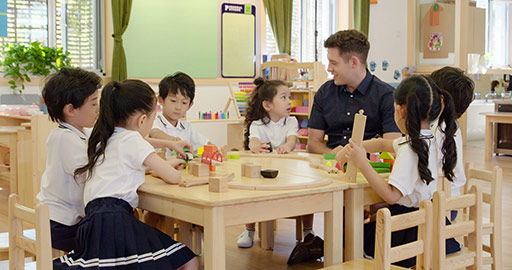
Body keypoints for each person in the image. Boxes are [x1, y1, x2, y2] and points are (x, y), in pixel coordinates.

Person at [54, 80, 198, 270]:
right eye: (152, 119)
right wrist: (165, 166)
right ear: (141, 120)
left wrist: (162, 160)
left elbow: (126, 161)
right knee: (189, 260)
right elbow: (174, 177)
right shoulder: (133, 141)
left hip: (91, 223)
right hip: (115, 221)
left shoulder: (103, 138)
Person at [338, 75, 459, 267]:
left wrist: (362, 162)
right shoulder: (427, 138)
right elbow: (383, 143)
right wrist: (353, 147)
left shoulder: (410, 149)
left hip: (409, 227)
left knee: (351, 238)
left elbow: (391, 196)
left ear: (400, 110)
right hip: (429, 221)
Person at [305, 29, 402, 241]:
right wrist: (334, 154)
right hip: (332, 169)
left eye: (334, 63)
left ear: (354, 62)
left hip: (373, 172)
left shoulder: (385, 95)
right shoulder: (324, 93)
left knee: (370, 224)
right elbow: (313, 144)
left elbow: (393, 145)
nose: (329, 69)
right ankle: (335, 245)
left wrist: (356, 154)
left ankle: (364, 247)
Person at [36, 67, 101, 252]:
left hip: (64, 219)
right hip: (61, 224)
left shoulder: (81, 132)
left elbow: (111, 141)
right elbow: (89, 176)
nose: (98, 109)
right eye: (94, 104)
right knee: (110, 239)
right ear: (71, 109)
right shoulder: (64, 138)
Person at [237, 77, 298, 248]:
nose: (289, 102)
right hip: (263, 172)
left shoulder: (291, 121)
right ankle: (249, 230)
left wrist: (287, 145)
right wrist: (256, 146)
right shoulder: (257, 124)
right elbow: (253, 142)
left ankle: (308, 230)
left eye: (289, 97)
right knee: (251, 195)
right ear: (267, 105)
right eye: (283, 97)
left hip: (286, 171)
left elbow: (292, 140)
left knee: (305, 189)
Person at [430, 66, 474, 219]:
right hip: (451, 202)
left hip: (439, 206)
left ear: (440, 100)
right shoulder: (450, 126)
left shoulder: (437, 129)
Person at [150, 72, 213, 155]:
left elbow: (205, 144)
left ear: (190, 105)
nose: (178, 107)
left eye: (184, 102)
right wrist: (173, 141)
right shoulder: (154, 122)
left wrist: (214, 149)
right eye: (173, 101)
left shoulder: (187, 127)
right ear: (161, 100)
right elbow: (154, 132)